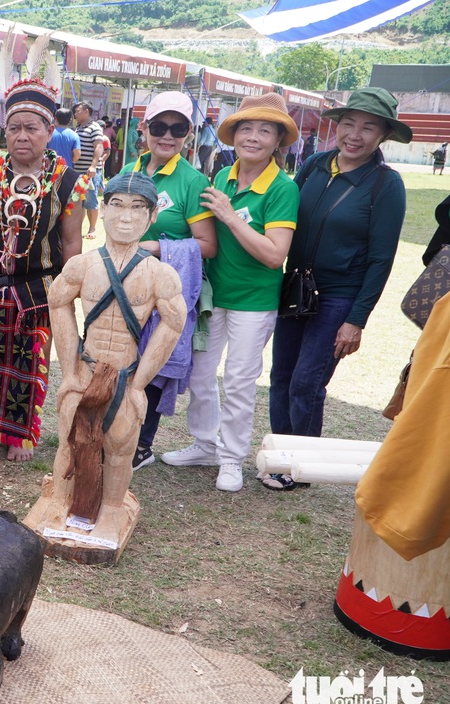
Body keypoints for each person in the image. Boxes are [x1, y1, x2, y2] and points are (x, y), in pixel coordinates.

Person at [266, 87, 411, 489]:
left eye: (368, 127)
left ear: (382, 135)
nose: (355, 134)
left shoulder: (386, 185)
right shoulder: (314, 164)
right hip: (295, 287)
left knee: (307, 383)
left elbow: (382, 259)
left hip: (339, 296)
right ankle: (281, 458)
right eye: (349, 123)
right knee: (281, 375)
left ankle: (303, 464)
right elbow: (281, 217)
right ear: (337, 125)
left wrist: (356, 320)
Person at [162, 93, 300, 492]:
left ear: (278, 141)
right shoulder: (222, 177)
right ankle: (205, 444)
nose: (253, 137)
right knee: (201, 375)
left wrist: (227, 215)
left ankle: (232, 457)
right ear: (234, 135)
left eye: (264, 130)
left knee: (239, 380)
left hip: (254, 301)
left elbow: (275, 255)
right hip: (212, 296)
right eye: (245, 128)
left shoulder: (283, 188)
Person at [39, 172, 185, 539]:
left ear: (152, 217)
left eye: (138, 208)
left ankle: (112, 509)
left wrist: (139, 384)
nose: (126, 216)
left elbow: (174, 323)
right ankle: (60, 501)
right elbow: (57, 303)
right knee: (69, 440)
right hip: (86, 369)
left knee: (120, 448)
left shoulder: (159, 274)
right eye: (117, 205)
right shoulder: (82, 266)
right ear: (102, 210)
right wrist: (70, 370)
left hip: (125, 372)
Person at [0, 78, 86, 462]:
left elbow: (72, 241)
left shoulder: (68, 183)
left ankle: (20, 435)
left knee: (30, 361)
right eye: (14, 128)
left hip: (39, 289)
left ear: (50, 131)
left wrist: (70, 287)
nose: (22, 136)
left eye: (32, 128)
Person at [119, 91, 217, 471]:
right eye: (159, 126)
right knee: (121, 359)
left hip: (166, 290)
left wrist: (155, 246)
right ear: (144, 128)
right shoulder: (128, 172)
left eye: (178, 129)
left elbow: (207, 245)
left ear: (188, 135)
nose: (167, 135)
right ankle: (116, 432)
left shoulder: (192, 181)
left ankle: (142, 445)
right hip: (126, 285)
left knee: (155, 364)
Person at [72, 101, 103, 239]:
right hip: (77, 171)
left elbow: (98, 147)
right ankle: (78, 227)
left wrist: (93, 165)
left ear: (86, 111)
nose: (75, 114)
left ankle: (92, 228)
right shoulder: (78, 127)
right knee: (79, 201)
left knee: (91, 201)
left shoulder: (94, 127)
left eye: (78, 111)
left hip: (90, 171)